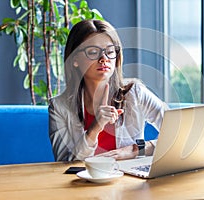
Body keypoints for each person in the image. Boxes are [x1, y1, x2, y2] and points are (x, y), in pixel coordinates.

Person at [49, 19, 167, 161]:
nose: (104, 58)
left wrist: (136, 150)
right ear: (75, 60)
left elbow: (180, 135)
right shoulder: (59, 107)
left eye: (110, 51)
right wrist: (95, 128)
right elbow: (64, 162)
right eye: (93, 52)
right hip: (84, 182)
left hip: (130, 180)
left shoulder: (134, 93)